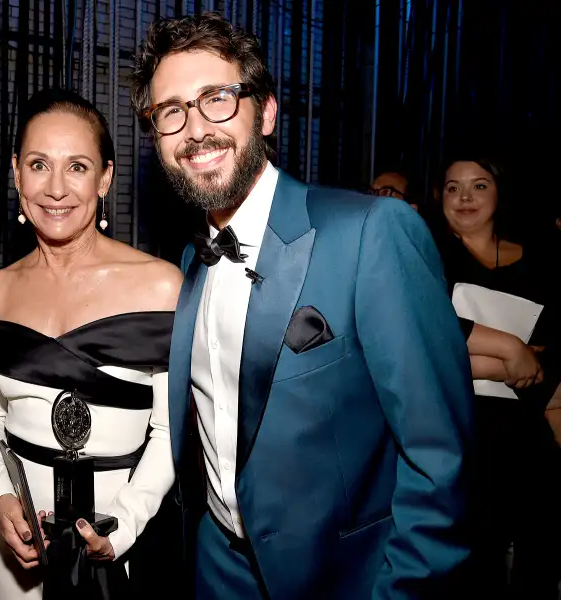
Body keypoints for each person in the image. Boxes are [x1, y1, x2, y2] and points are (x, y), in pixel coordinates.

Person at [130, 13, 475, 600]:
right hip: (221, 570)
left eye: (215, 98)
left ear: (265, 111)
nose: (195, 129)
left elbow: (440, 459)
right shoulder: (192, 262)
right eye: (171, 112)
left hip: (346, 579)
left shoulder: (371, 232)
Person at [0, 88, 183, 600]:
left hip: (122, 543)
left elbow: (172, 429)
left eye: (78, 167)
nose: (56, 188)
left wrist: (123, 526)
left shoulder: (160, 286)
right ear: (16, 172)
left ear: (105, 176)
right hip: (17, 546)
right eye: (40, 165)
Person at [430, 157, 561, 599]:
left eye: (479, 186)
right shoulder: (426, 255)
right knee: (472, 569)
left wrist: (527, 364)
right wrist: (510, 355)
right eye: (453, 188)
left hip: (527, 429)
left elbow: (551, 356)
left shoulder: (538, 263)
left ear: (499, 194)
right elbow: (422, 343)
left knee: (539, 560)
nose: (465, 197)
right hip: (455, 432)